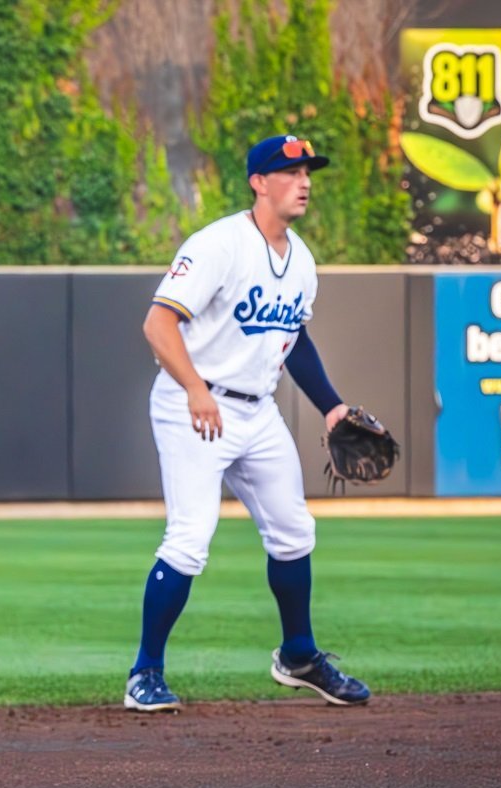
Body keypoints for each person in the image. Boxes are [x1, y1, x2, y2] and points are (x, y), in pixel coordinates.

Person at [123, 134, 371, 713]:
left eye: (309, 172)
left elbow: (295, 339)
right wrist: (194, 389)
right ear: (259, 182)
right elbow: (158, 326)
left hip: (256, 410)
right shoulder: (218, 246)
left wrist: (331, 404)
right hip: (194, 405)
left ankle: (299, 655)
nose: (304, 181)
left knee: (294, 530)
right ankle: (145, 674)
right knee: (189, 539)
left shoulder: (302, 260)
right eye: (290, 172)